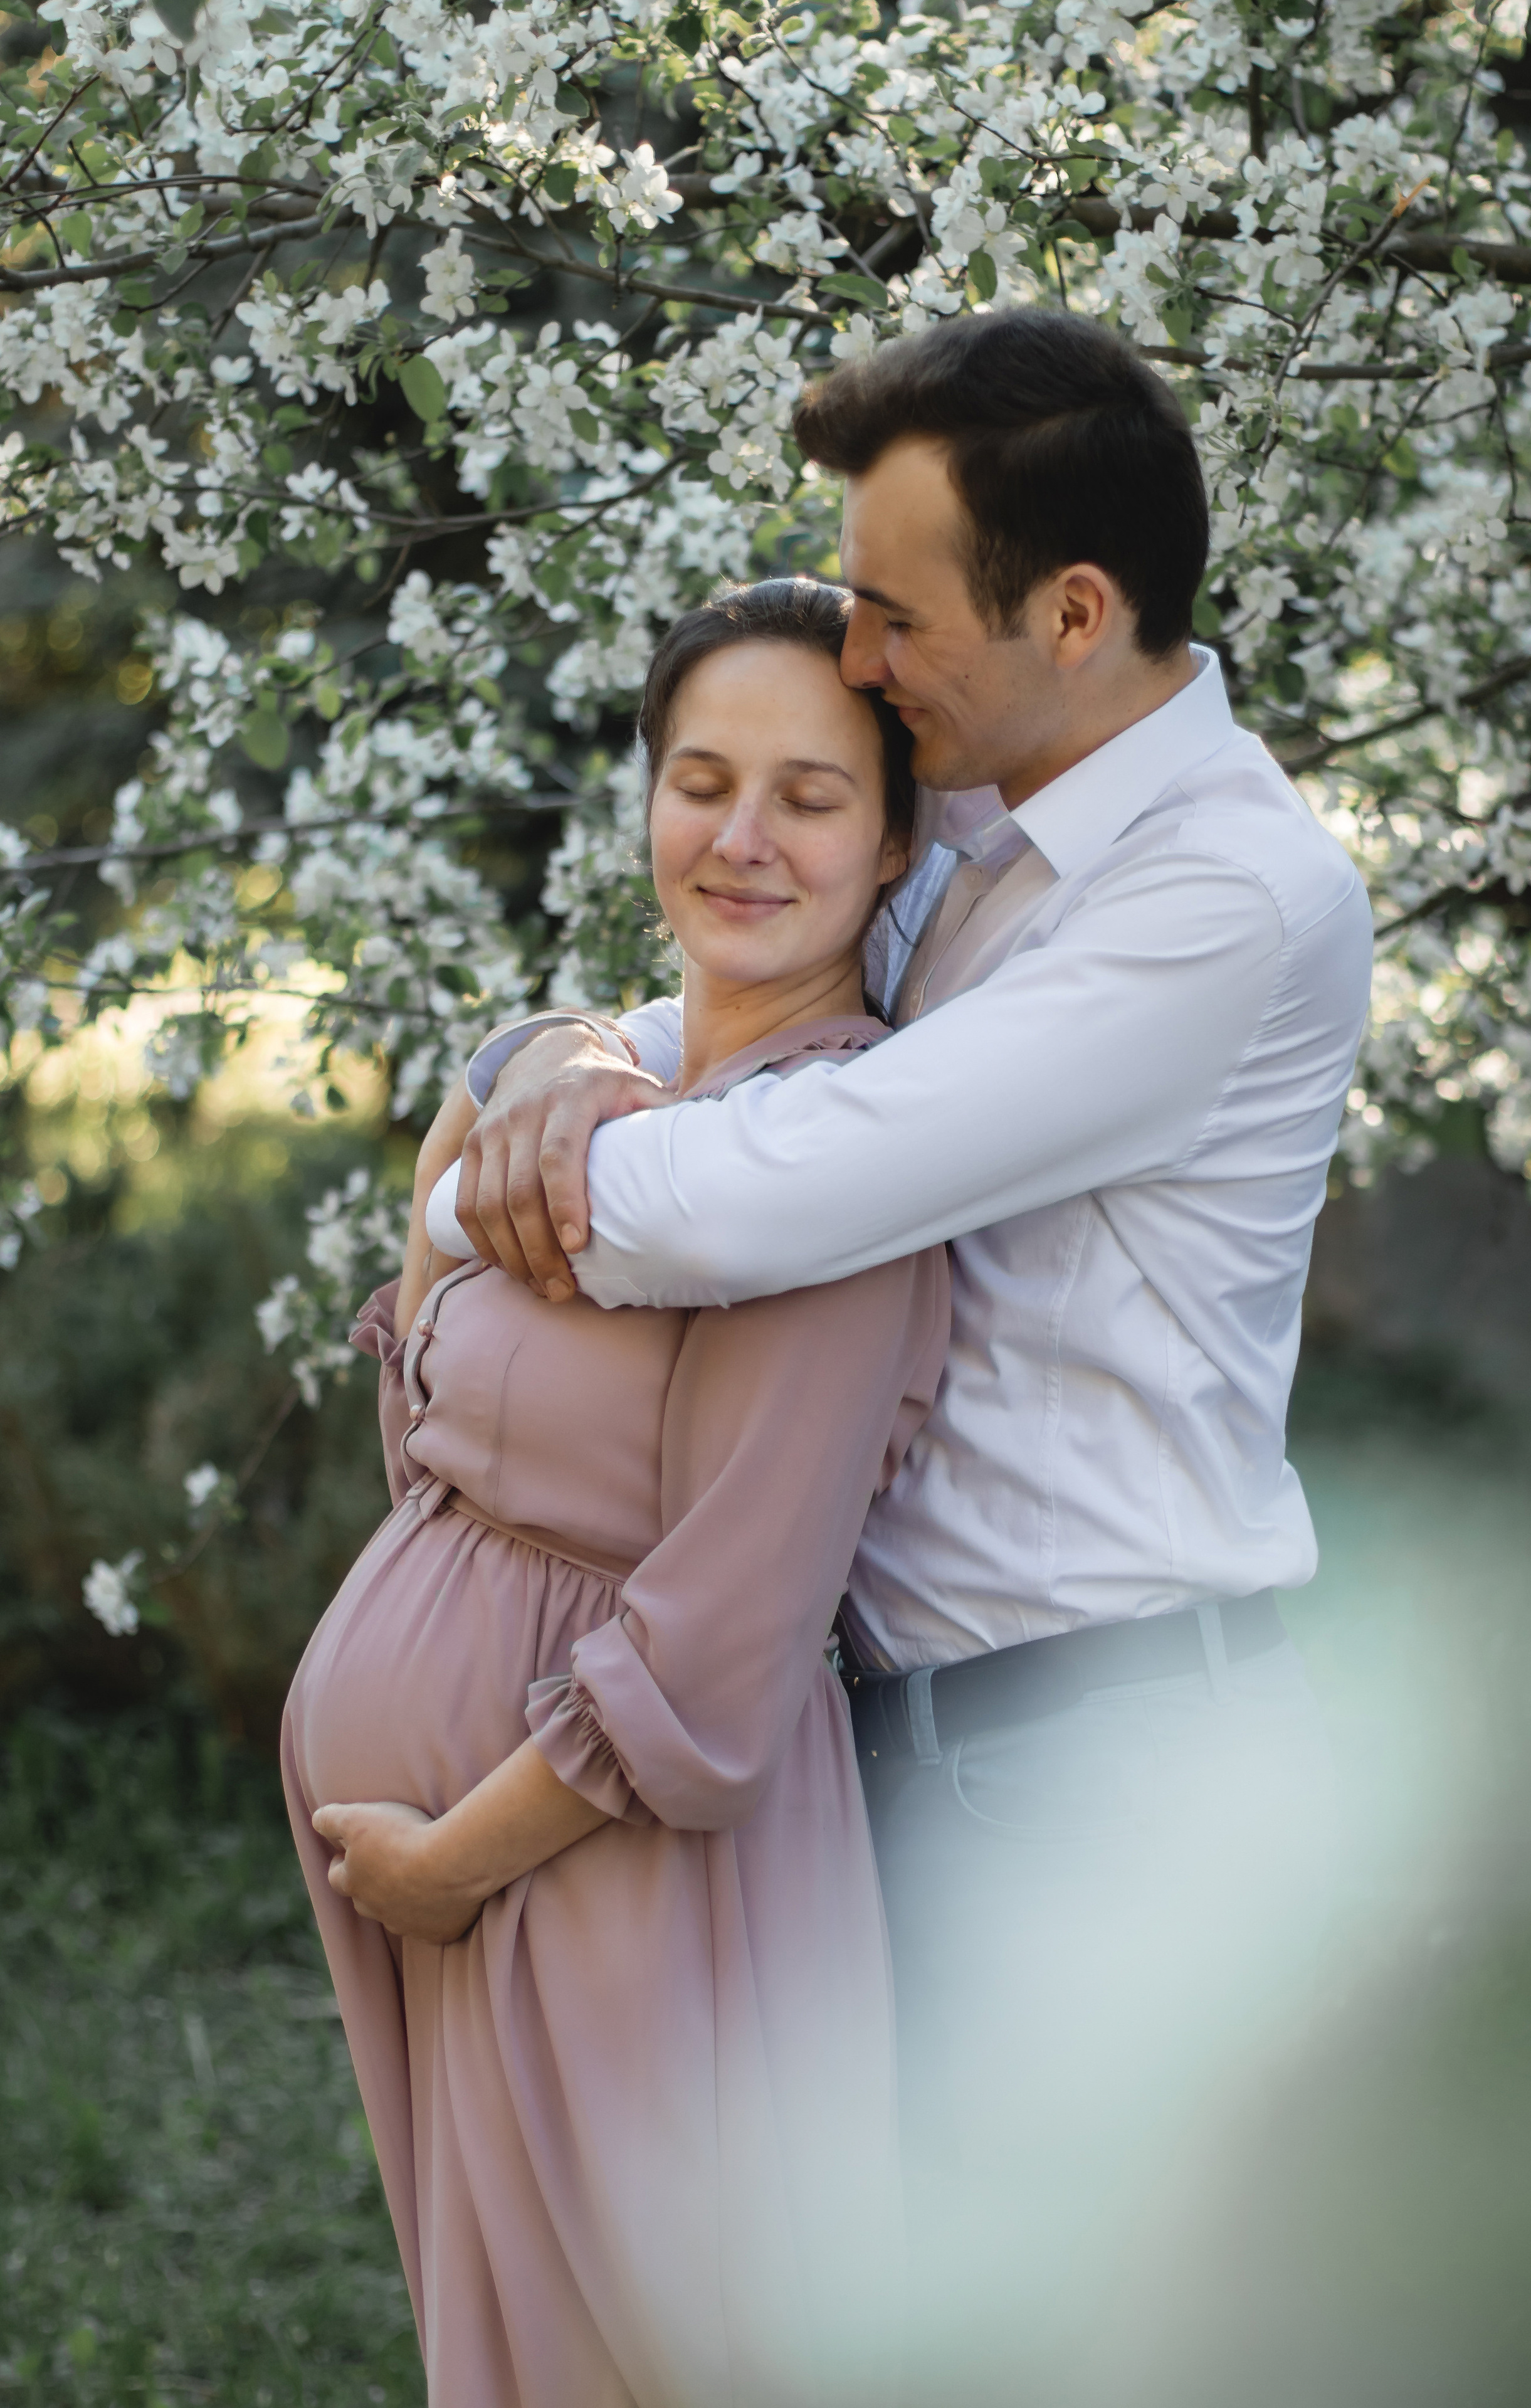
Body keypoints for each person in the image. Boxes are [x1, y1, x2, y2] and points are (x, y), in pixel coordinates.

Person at [446, 309, 1376, 2399]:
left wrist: (465, 1207)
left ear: (1073, 612)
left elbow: (786, 1182)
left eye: (892, 612)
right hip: (894, 1752)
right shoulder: (973, 822)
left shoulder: (1226, 898)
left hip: (1097, 1763)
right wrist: (550, 1060)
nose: (859, 660)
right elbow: (735, 1013)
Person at [280, 579, 950, 2408]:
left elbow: (722, 1647)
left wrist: (444, 1865)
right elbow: (432, 1389)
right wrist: (525, 1060)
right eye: (701, 781)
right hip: (482, 1877)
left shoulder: (838, 1158)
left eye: (810, 796)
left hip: (617, 1876)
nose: (741, 839)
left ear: (896, 839)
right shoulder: (615, 1081)